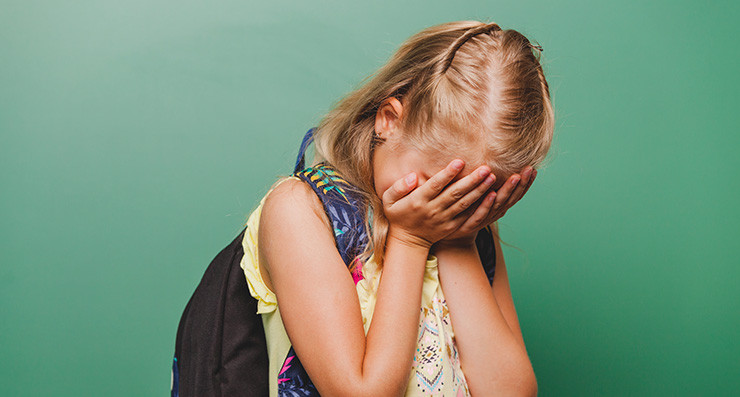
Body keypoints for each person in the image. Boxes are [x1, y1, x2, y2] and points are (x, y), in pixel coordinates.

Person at [240, 20, 554, 396]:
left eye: (470, 196)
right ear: (388, 120)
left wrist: (460, 240)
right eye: (437, 183)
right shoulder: (301, 212)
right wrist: (410, 240)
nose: (444, 207)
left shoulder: (462, 227)